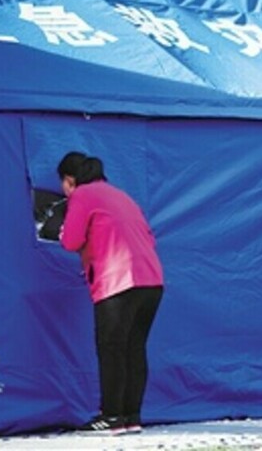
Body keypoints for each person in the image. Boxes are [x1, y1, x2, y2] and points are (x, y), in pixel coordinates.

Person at [58, 152, 164, 435]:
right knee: (134, 348)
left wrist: (61, 227)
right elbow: (148, 236)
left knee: (111, 349)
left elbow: (71, 241)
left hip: (118, 280)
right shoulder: (121, 195)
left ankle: (111, 417)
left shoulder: (81, 195)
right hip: (152, 280)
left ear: (69, 180)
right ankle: (132, 416)